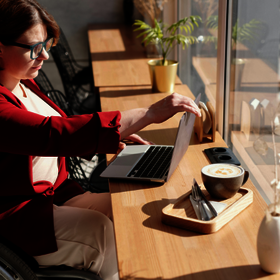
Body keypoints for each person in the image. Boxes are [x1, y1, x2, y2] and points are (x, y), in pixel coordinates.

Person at [0, 0, 201, 279]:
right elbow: (49, 133)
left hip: (55, 195)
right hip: (21, 217)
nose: (44, 55)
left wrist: (115, 135)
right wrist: (148, 113)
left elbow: (58, 127)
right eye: (35, 48)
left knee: (126, 208)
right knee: (101, 230)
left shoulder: (21, 79)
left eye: (47, 44)